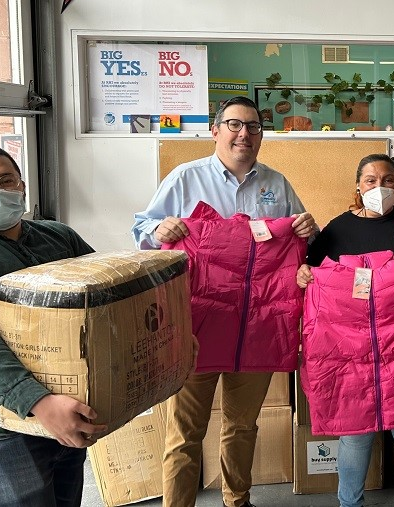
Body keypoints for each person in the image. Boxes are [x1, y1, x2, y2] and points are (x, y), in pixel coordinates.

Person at [131, 95, 316, 507]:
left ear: (261, 135)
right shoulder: (185, 177)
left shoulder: (276, 183)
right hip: (195, 325)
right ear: (215, 130)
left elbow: (303, 242)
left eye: (253, 127)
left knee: (242, 425)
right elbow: (141, 229)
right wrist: (160, 229)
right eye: (234, 125)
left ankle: (238, 500)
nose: (243, 134)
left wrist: (307, 227)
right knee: (185, 431)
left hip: (257, 327)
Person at [0, 144, 108, 507]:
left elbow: (105, 297)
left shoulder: (58, 237)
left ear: (22, 186)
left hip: (65, 410)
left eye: (6, 180)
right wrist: (37, 402)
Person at [296, 153, 394, 507]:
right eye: (371, 180)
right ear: (357, 184)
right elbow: (309, 272)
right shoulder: (336, 230)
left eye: (388, 181)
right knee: (354, 436)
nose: (379, 187)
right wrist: (306, 275)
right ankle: (349, 502)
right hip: (349, 353)